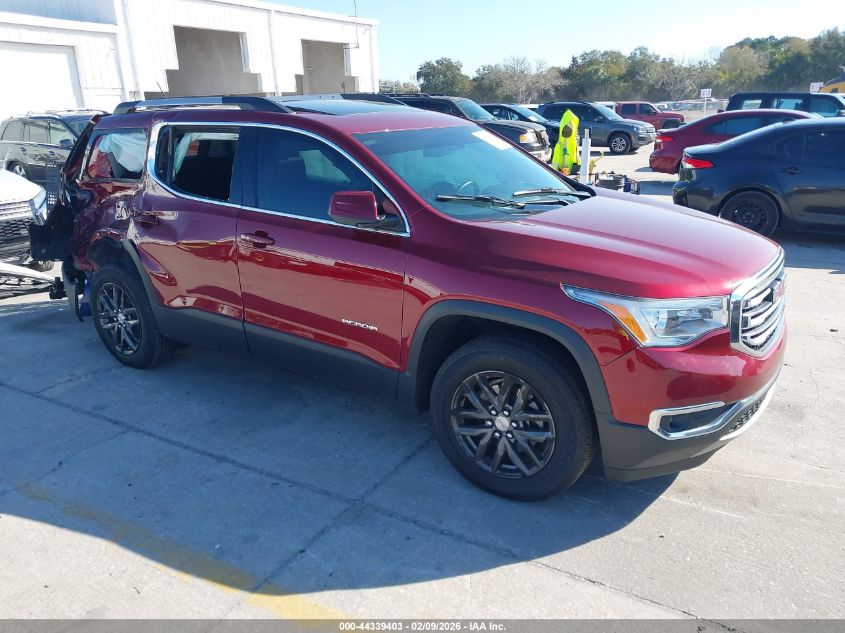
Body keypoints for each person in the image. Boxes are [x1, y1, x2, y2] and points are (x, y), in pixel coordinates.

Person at [551, 109, 580, 175]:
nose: (567, 130)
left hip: (571, 171)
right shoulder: (562, 142)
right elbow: (556, 159)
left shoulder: (573, 141)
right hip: (561, 172)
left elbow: (576, 156)